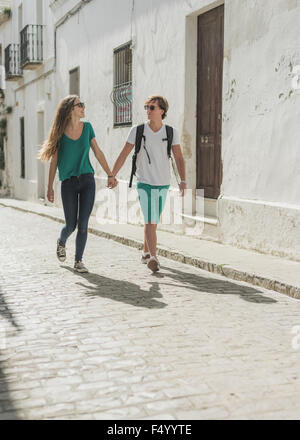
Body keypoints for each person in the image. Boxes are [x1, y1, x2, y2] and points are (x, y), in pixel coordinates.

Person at [38, 95, 117, 273]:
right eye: (80, 105)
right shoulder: (59, 132)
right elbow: (54, 161)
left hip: (87, 180)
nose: (83, 107)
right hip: (68, 183)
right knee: (71, 225)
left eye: (83, 104)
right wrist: (49, 187)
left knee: (83, 224)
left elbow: (98, 152)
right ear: (70, 109)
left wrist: (110, 174)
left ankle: (78, 260)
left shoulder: (87, 128)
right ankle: (62, 241)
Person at [111, 95, 186, 272]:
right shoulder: (137, 131)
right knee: (150, 220)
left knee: (153, 221)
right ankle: (153, 257)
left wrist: (182, 180)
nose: (148, 111)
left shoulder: (170, 132)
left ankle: (145, 252)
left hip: (163, 182)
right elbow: (123, 154)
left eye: (152, 108)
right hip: (144, 181)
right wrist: (112, 174)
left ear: (162, 111)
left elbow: (179, 157)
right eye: (147, 107)